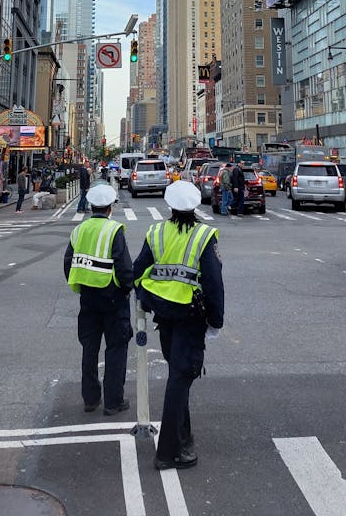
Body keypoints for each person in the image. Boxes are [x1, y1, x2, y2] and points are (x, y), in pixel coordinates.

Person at [133, 179, 224, 471]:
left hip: (165, 317)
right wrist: (216, 321)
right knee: (180, 379)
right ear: (196, 206)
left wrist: (146, 297)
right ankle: (169, 452)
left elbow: (137, 272)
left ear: (170, 205)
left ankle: (184, 438)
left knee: (179, 375)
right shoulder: (204, 235)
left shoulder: (156, 231)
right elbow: (213, 282)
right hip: (190, 317)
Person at [64, 183, 133, 415]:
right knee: (115, 348)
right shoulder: (114, 230)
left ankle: (90, 399)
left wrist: (82, 283)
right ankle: (113, 402)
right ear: (110, 208)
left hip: (88, 298)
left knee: (89, 348)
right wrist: (127, 289)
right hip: (113, 298)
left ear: (92, 206)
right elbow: (124, 268)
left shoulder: (79, 230)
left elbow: (68, 263)